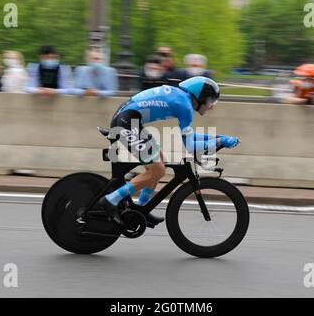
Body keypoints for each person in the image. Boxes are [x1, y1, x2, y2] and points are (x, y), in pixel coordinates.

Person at [96, 76, 239, 227]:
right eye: (211, 101)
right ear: (200, 96)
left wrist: (218, 137)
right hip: (127, 123)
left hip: (130, 120)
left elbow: (190, 136)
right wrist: (220, 141)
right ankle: (110, 200)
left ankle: (139, 210)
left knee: (159, 163)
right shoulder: (184, 106)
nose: (212, 106)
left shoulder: (182, 99)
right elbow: (190, 146)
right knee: (157, 170)